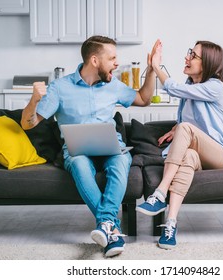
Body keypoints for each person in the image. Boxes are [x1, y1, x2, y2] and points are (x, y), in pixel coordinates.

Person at [21, 35, 157, 257]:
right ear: (94, 61)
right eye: (112, 58)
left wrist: (151, 70)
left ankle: (106, 225)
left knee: (122, 160)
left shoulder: (113, 85)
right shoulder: (60, 88)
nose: (116, 62)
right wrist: (34, 100)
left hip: (111, 147)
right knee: (79, 164)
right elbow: (29, 124)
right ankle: (111, 227)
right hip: (78, 151)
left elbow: (144, 99)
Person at [136, 40, 223, 249]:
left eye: (193, 55)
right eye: (189, 52)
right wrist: (177, 129)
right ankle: (171, 224)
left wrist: (156, 66)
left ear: (208, 62)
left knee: (184, 128)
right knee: (188, 157)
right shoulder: (190, 87)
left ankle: (160, 192)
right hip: (198, 154)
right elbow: (189, 119)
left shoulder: (215, 86)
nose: (187, 57)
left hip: (220, 154)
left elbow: (174, 90)